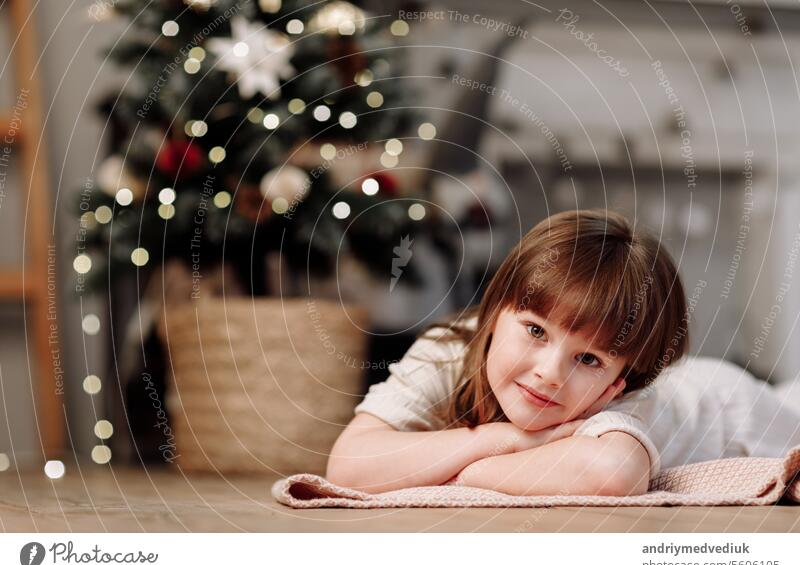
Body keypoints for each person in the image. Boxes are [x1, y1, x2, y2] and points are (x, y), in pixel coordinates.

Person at [326, 209, 800, 496]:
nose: (550, 373)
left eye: (590, 359)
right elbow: (349, 464)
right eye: (535, 330)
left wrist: (453, 470)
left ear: (621, 381)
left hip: (730, 407)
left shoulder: (632, 398)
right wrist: (507, 440)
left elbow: (610, 475)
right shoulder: (451, 347)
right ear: (493, 314)